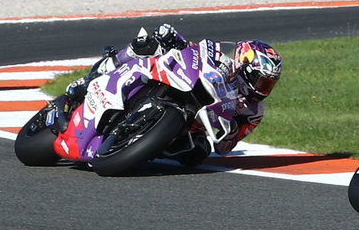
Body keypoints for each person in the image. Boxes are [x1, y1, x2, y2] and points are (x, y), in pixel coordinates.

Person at [62, 24, 282, 157]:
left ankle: (146, 147)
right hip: (178, 85)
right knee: (148, 45)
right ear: (244, 64)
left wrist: (231, 127)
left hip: (188, 129)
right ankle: (95, 75)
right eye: (260, 80)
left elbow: (225, 147)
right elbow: (193, 52)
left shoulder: (254, 112)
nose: (263, 88)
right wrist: (174, 39)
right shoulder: (220, 59)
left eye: (268, 83)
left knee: (199, 152)